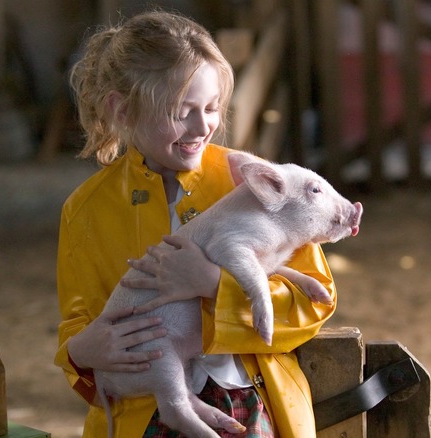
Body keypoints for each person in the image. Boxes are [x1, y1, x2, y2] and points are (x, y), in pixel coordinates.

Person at [54, 10, 337, 437]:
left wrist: (214, 284)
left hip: (250, 397)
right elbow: (80, 322)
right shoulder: (86, 210)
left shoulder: (256, 183)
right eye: (181, 110)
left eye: (211, 108)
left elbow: (313, 305)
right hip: (145, 412)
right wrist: (79, 352)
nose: (203, 125)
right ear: (123, 110)